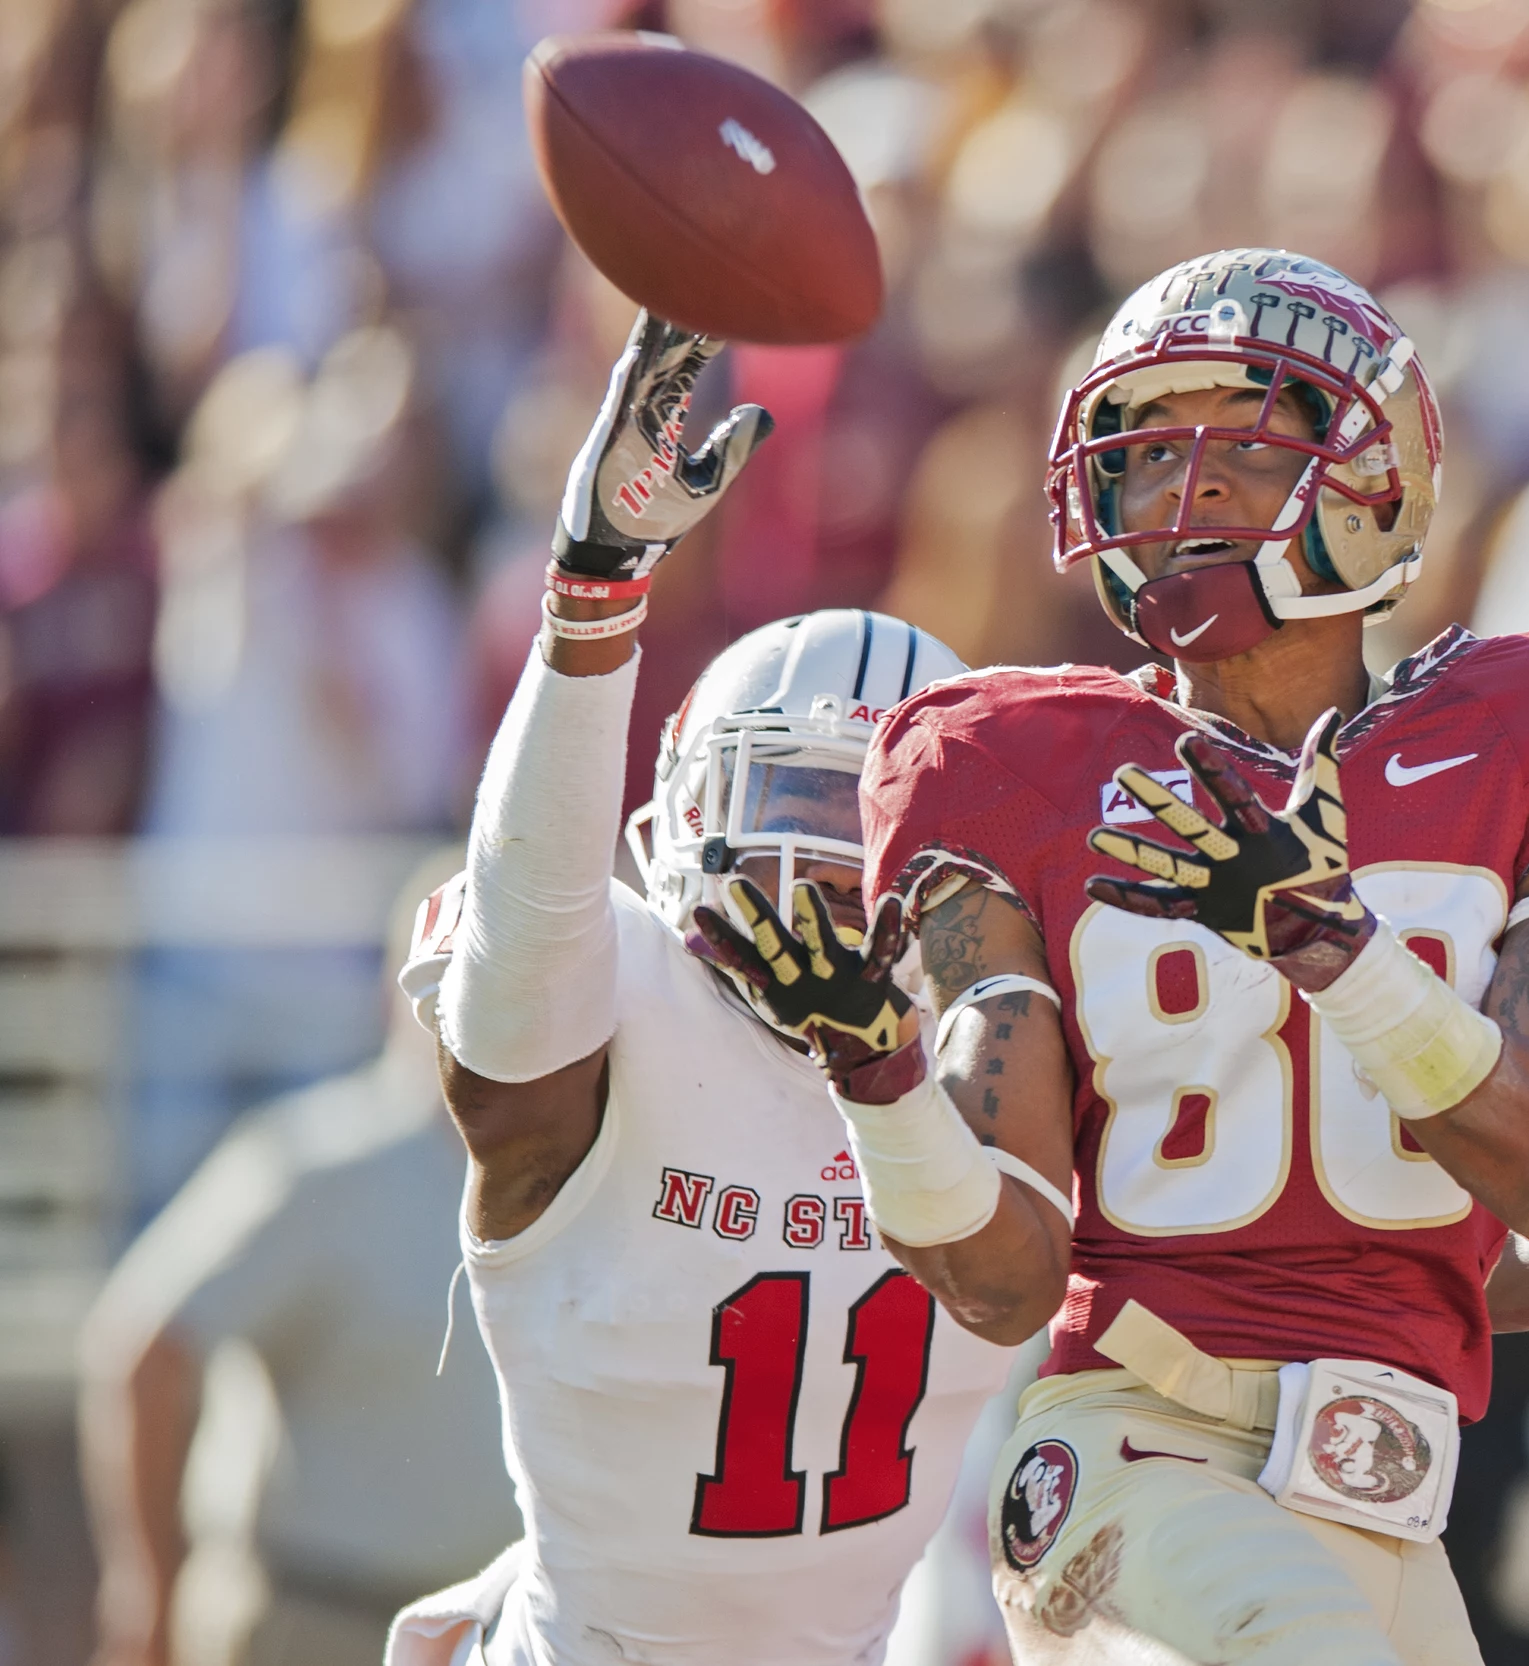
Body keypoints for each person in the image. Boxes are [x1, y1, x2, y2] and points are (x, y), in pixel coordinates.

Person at [700, 249, 1529, 1665]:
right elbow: (1005, 1277)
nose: (1187, 489)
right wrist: (877, 1068)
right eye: (1147, 453)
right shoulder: (1010, 766)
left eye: (1247, 443)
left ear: (1378, 479)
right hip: (1138, 1459)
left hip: (1386, 1502)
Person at [387, 315, 1017, 1666]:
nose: (836, 865)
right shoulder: (616, 1005)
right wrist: (594, 603)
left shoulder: (1011, 1059)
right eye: (794, 797)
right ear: (678, 811)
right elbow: (521, 982)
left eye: (881, 821)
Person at [78, 855, 518, 1666]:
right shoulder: (320, 1163)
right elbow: (145, 1349)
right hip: (318, 1619)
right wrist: (147, 1587)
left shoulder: (572, 1176)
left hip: (496, 1629)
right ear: (400, 988)